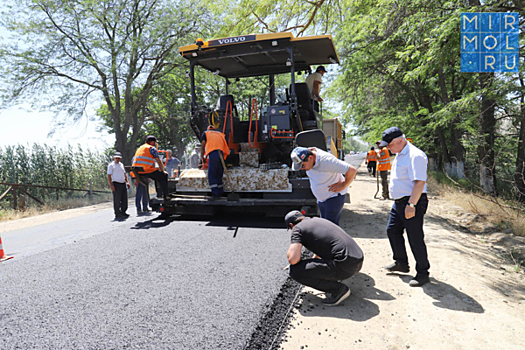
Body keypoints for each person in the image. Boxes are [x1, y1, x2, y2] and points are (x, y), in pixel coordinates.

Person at [379, 126, 430, 287]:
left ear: (399, 140)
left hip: (412, 201)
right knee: (392, 230)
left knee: (415, 238)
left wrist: (411, 205)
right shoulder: (400, 153)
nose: (387, 148)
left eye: (389, 144)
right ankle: (401, 262)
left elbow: (419, 182)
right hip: (399, 202)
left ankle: (423, 272)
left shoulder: (415, 156)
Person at [284, 210, 364, 306]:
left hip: (345, 266)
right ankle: (334, 277)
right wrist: (312, 264)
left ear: (291, 225)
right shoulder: (318, 220)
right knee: (311, 265)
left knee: (295, 271)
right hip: (357, 260)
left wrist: (298, 262)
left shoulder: (297, 229)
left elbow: (293, 260)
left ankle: (339, 290)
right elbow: (322, 247)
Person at [290, 146, 357, 226]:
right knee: (324, 226)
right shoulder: (309, 154)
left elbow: (352, 170)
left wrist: (343, 185)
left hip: (333, 197)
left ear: (311, 158)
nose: (302, 168)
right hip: (322, 199)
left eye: (303, 166)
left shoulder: (327, 161)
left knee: (330, 228)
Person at [132, 135, 169, 200]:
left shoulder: (140, 148)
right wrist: (163, 170)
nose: (155, 144)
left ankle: (159, 195)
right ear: (152, 142)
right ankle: (165, 195)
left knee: (157, 176)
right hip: (146, 170)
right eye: (154, 142)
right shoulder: (151, 148)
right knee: (163, 176)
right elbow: (158, 160)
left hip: (138, 171)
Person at [200, 125, 230, 198]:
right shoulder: (220, 134)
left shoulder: (205, 133)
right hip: (221, 153)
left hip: (213, 153)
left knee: (212, 173)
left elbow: (203, 146)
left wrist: (202, 158)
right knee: (218, 173)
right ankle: (220, 191)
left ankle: (215, 194)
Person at [107, 152, 130, 219]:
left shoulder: (121, 165)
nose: (117, 159)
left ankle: (123, 212)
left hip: (122, 183)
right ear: (114, 158)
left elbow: (124, 174)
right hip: (116, 183)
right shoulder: (111, 165)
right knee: (117, 199)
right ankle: (117, 213)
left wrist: (127, 182)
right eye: (116, 158)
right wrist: (111, 185)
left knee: (124, 198)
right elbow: (109, 176)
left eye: (119, 158)